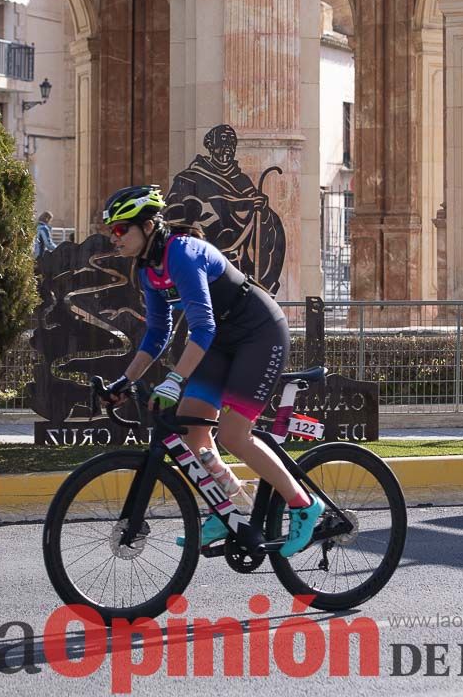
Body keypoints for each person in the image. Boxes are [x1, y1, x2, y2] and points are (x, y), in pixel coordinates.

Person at [99, 183, 323, 556]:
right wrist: (127, 380)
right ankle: (230, 505)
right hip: (222, 341)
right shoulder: (149, 271)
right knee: (191, 429)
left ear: (149, 226)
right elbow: (157, 333)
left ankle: (303, 505)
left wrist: (174, 379)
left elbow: (202, 326)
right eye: (111, 232)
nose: (114, 239)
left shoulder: (183, 254)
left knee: (234, 434)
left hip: (259, 334)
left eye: (121, 229)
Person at [164, 124, 286, 293]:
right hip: (203, 251)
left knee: (272, 219)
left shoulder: (241, 180)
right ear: (211, 146)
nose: (227, 149)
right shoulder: (192, 177)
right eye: (223, 143)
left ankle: (259, 289)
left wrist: (260, 209)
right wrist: (245, 204)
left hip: (239, 258)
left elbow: (253, 212)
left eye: (231, 144)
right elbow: (175, 212)